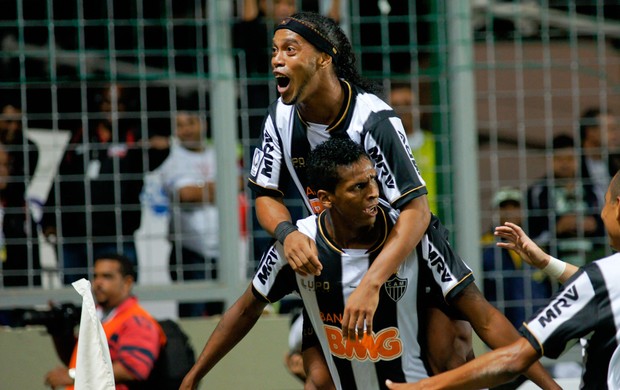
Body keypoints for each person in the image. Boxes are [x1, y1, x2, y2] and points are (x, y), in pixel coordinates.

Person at [181, 138, 558, 390]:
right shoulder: (298, 243)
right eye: (358, 187)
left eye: (373, 180)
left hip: (415, 381)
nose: (374, 193)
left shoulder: (413, 235)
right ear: (322, 199)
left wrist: (551, 387)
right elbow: (246, 309)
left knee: (455, 342)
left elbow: (486, 318)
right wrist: (194, 376)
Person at [247, 12, 473, 371]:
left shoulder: (373, 120)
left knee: (448, 356)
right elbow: (265, 194)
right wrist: (287, 234)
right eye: (274, 50)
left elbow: (417, 211)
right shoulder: (279, 117)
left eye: (290, 49)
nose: (277, 59)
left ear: (325, 57)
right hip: (338, 255)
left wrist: (372, 282)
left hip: (403, 254)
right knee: (321, 375)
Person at [385, 170, 620, 389]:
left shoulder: (601, 278)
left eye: (606, 202)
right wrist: (546, 262)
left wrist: (422, 387)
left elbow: (515, 358)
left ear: (617, 208)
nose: (601, 213)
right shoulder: (604, 279)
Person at [41, 84, 147, 284]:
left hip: (115, 235)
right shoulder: (82, 134)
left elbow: (159, 154)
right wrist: (48, 219)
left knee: (118, 300)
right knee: (77, 302)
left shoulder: (135, 136)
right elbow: (62, 177)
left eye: (119, 103)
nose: (112, 108)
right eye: (107, 102)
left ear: (127, 106)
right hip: (75, 235)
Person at [43, 254, 166, 390]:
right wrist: (60, 332)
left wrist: (74, 376)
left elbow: (133, 368)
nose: (98, 283)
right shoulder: (100, 316)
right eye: (96, 276)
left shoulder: (138, 321)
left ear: (127, 283)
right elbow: (83, 359)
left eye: (107, 276)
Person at [158, 111, 223, 317]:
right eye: (179, 125)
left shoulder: (218, 152)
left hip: (222, 251)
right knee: (192, 316)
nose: (185, 130)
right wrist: (219, 188)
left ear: (202, 124)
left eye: (190, 123)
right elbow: (186, 195)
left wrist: (200, 188)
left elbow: (240, 184)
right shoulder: (172, 156)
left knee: (221, 317)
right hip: (189, 251)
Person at [526, 133, 605, 267]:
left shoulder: (593, 189)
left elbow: (607, 226)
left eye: (570, 159)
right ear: (548, 160)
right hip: (552, 264)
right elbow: (531, 232)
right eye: (559, 159)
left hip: (592, 262)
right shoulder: (538, 192)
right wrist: (557, 227)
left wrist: (594, 224)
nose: (565, 164)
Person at [481, 187, 552, 328]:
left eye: (515, 206)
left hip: (540, 324)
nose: (509, 211)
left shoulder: (537, 244)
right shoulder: (484, 246)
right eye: (503, 207)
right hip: (502, 324)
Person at [389, 82, 437, 215]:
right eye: (396, 106)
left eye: (407, 104)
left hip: (436, 220)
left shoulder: (436, 144)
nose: (402, 110)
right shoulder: (385, 147)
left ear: (419, 109)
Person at [0, 142, 40, 288]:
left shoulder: (20, 208)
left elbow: (32, 259)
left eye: (7, 165)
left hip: (13, 291)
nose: (4, 171)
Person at [579, 107, 620, 208]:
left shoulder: (616, 164)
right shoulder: (573, 166)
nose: (615, 135)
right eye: (610, 129)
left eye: (616, 129)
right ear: (590, 132)